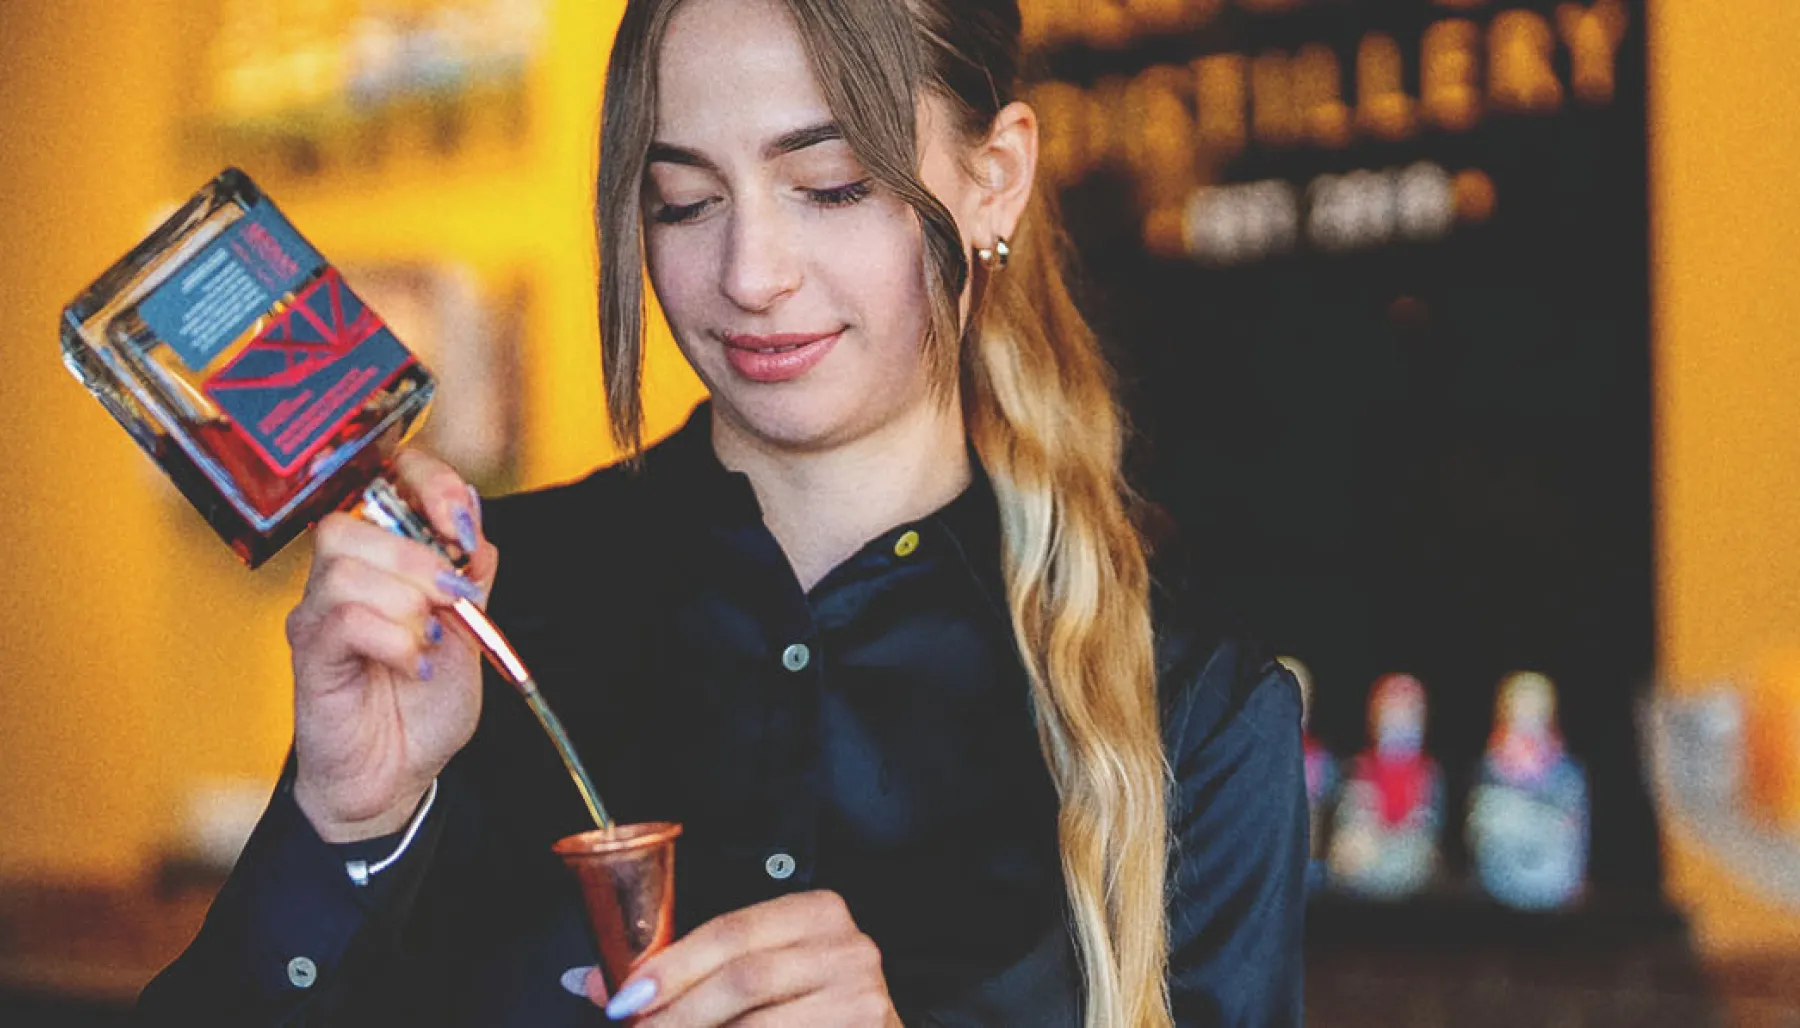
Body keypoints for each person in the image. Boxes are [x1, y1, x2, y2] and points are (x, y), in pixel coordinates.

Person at [137, 0, 1306, 1024]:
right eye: (684, 201)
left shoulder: (1195, 711)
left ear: (994, 175)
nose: (751, 272)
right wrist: (346, 827)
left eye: (831, 185)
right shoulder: (486, 614)